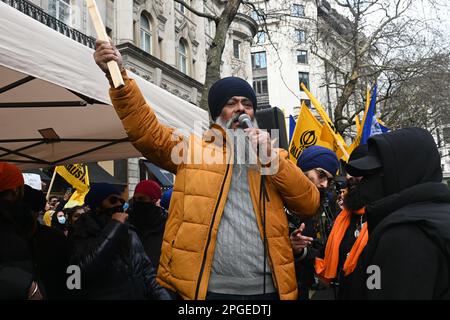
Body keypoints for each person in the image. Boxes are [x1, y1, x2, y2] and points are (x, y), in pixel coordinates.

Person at [94, 40, 320, 300]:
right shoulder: (191, 150)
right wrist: (118, 77)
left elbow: (309, 202)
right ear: (217, 114)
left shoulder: (275, 157)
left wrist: (271, 160)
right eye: (231, 103)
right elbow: (146, 132)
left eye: (247, 103)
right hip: (206, 291)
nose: (240, 109)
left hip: (267, 292)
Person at [345, 128, 450, 299]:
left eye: (374, 173)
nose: (365, 182)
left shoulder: (404, 235)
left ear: (405, 173)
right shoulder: (438, 216)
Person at [68, 183, 172, 300]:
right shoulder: (81, 233)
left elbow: (147, 273)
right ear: (97, 205)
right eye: (112, 200)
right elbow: (79, 273)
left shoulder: (129, 232)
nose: (118, 205)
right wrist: (114, 227)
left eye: (121, 202)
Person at [313, 144, 369, 299]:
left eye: (358, 170)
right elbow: (324, 256)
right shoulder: (344, 217)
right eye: (350, 170)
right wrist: (301, 252)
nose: (349, 176)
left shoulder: (384, 218)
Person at [289, 146, 339, 300]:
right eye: (321, 174)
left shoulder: (329, 208)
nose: (324, 184)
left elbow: (327, 253)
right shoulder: (276, 198)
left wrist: (301, 251)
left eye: (329, 180)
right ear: (303, 169)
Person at [0, 163, 43, 300]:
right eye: (21, 186)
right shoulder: (9, 223)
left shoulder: (17, 221)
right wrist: (27, 286)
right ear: (15, 191)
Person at [22, 185, 70, 300]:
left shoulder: (56, 238)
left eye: (25, 209)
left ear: (35, 211)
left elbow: (73, 269)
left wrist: (75, 292)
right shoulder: (7, 239)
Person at [128, 180, 166, 268]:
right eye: (135, 199)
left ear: (154, 200)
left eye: (141, 199)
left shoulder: (165, 225)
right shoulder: (128, 222)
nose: (137, 202)